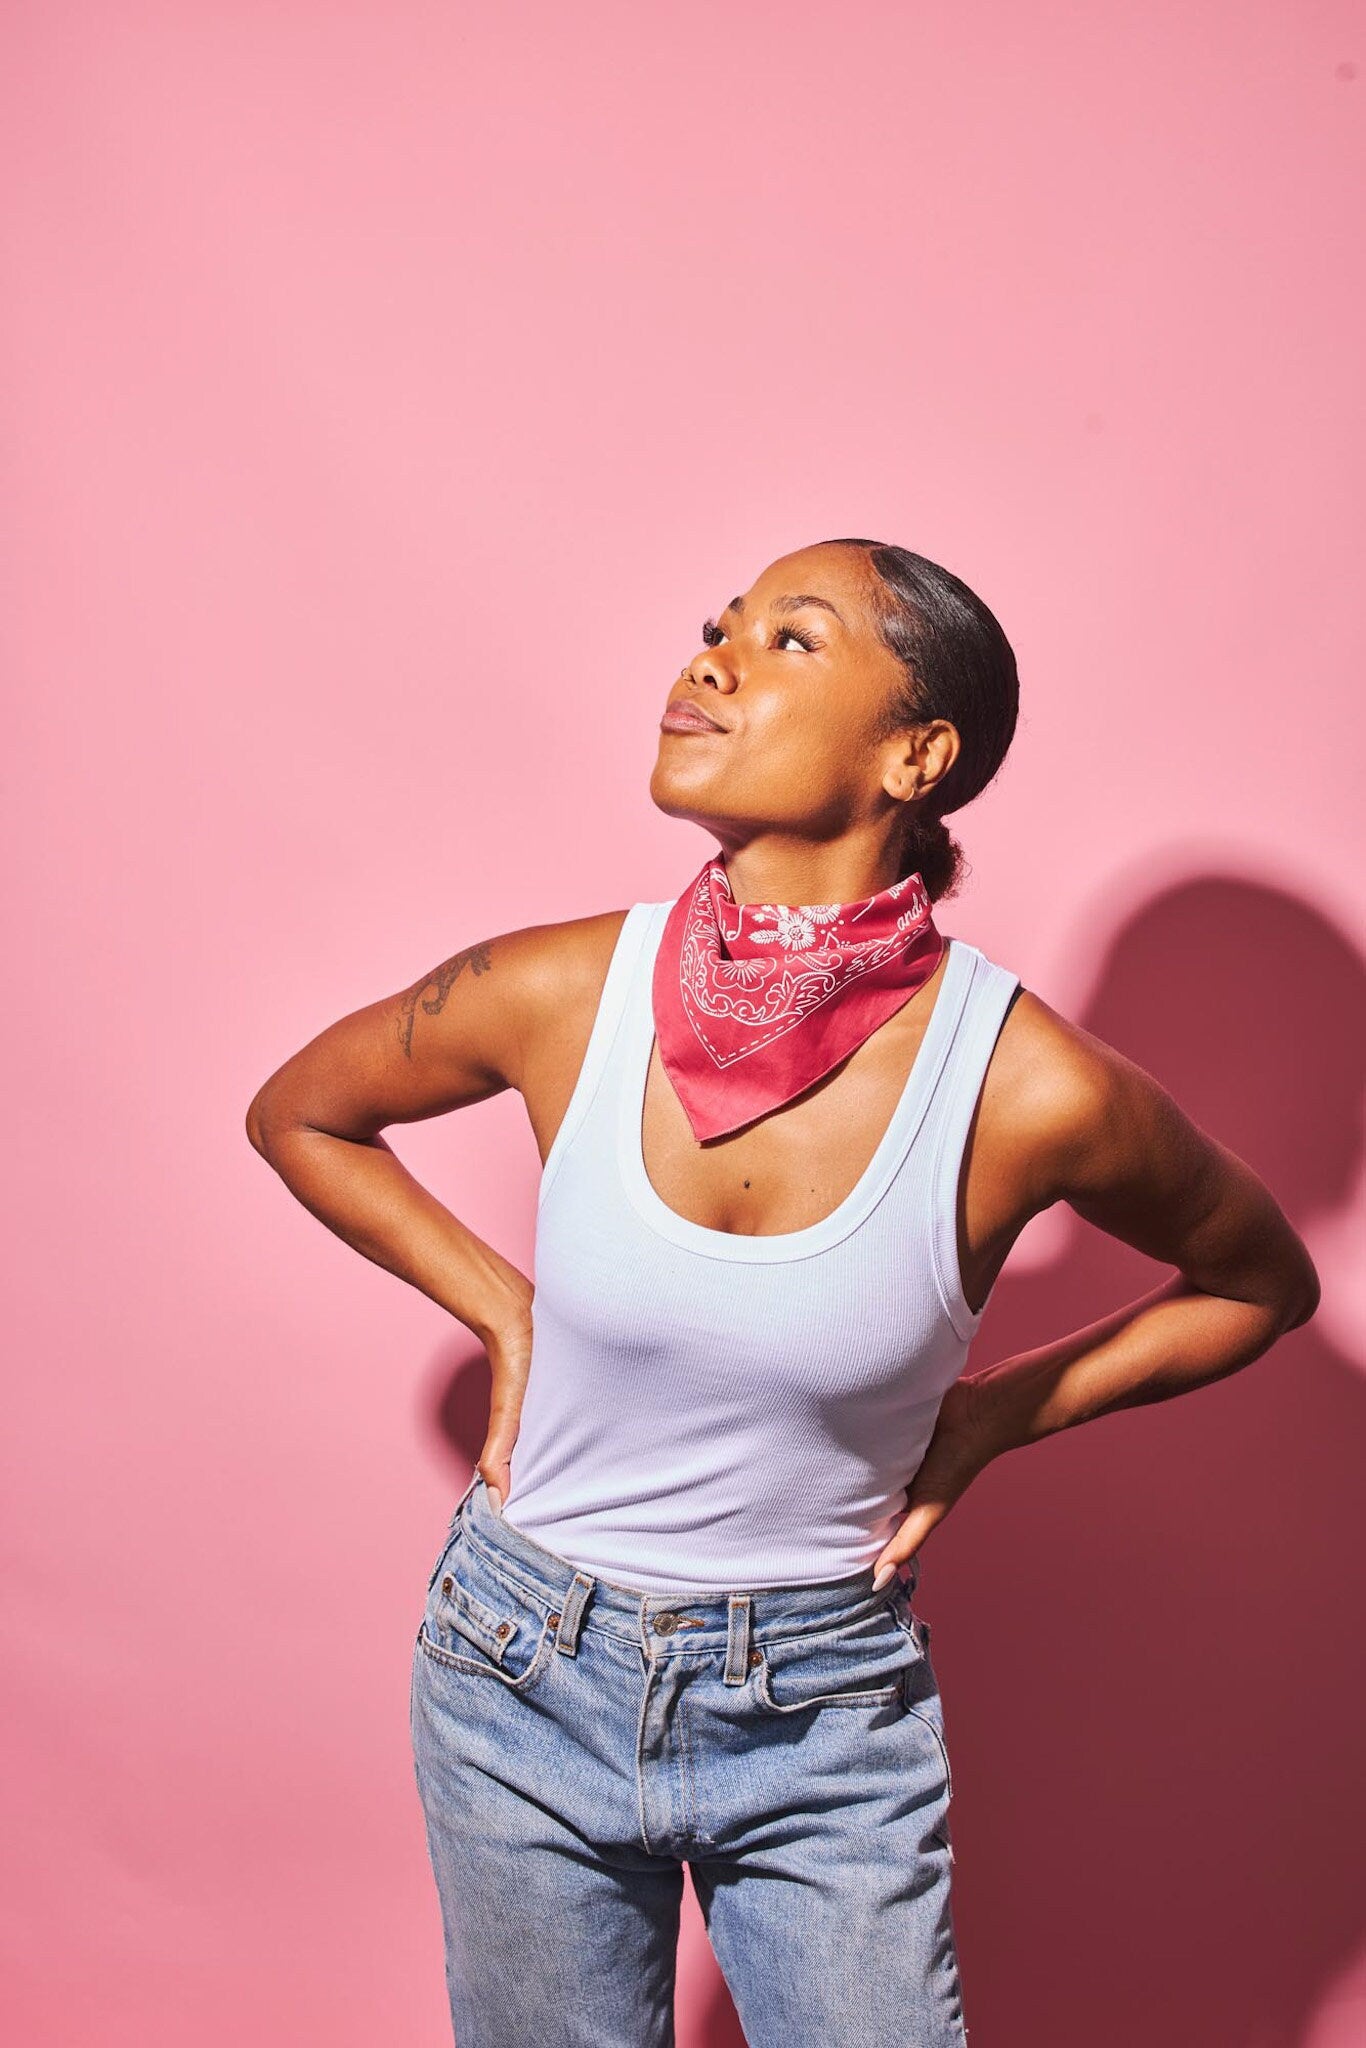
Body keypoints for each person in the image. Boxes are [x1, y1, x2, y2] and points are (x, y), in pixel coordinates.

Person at [246, 538, 1320, 2047]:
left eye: (790, 640)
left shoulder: (1026, 1086)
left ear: (915, 754)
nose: (710, 661)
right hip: (515, 1662)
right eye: (715, 628)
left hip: (818, 1708)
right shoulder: (560, 992)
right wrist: (507, 1312)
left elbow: (1257, 1282)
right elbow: (299, 1110)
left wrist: (992, 1417)